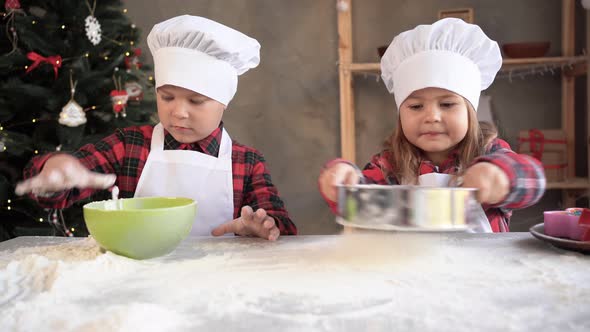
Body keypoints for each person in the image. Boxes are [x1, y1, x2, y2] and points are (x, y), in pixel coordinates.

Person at [16, 15, 296, 240]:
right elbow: (64, 184)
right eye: (167, 97)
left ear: (224, 102)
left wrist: (262, 228)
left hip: (217, 290)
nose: (179, 112)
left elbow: (281, 225)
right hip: (137, 289)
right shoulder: (129, 146)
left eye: (196, 101)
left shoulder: (246, 163)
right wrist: (55, 171)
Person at [318, 18, 545, 232]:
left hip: (482, 270)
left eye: (446, 104)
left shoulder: (489, 152)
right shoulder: (390, 164)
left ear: (470, 112)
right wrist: (343, 183)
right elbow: (360, 205)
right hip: (412, 269)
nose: (432, 117)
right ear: (400, 115)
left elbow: (533, 180)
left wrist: (502, 176)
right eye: (416, 107)